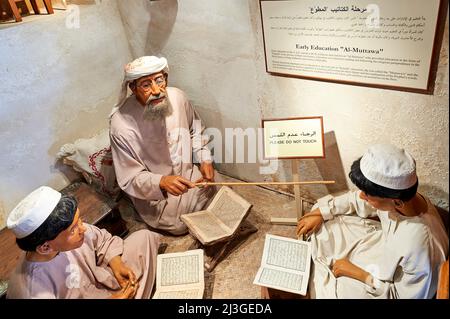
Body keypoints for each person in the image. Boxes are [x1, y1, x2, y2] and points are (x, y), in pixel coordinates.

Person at [297, 144, 448, 299]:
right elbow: (358, 199)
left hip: (382, 283)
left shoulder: (420, 247)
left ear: (396, 203)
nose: (362, 196)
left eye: (368, 195)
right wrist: (320, 212)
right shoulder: (405, 199)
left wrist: (355, 272)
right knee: (324, 224)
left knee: (330, 290)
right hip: (379, 247)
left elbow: (398, 296)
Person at [109, 56, 217, 235]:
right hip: (158, 195)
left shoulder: (177, 97)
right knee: (179, 225)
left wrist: (205, 158)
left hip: (188, 175)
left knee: (216, 189)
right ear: (133, 88)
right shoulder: (121, 125)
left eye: (159, 80)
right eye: (146, 84)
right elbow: (129, 177)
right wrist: (161, 182)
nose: (156, 90)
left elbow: (195, 129)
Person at [6, 186, 160, 299]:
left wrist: (116, 263)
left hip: (100, 283)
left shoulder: (68, 233)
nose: (82, 229)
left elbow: (102, 240)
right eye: (73, 229)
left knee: (144, 238)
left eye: (79, 220)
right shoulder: (32, 291)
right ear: (45, 247)